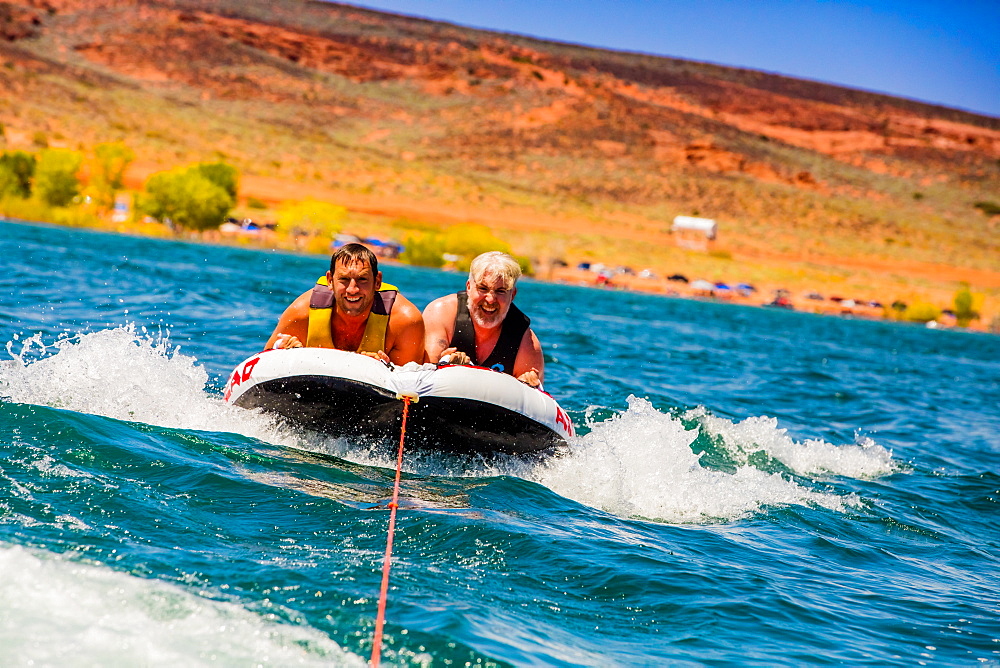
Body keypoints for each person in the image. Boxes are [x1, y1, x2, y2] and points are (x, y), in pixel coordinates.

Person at [265, 243, 425, 365]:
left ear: (377, 282)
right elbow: (263, 364)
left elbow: (411, 388)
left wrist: (385, 368)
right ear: (329, 280)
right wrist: (282, 350)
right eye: (344, 279)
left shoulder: (405, 321)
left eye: (362, 280)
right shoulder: (302, 312)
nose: (352, 289)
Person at [422, 251, 544, 387]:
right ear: (468, 287)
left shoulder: (526, 343)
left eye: (501, 291)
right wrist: (445, 364)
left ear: (513, 294)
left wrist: (529, 386)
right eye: (483, 288)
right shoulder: (441, 313)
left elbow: (533, 402)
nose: (490, 299)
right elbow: (423, 374)